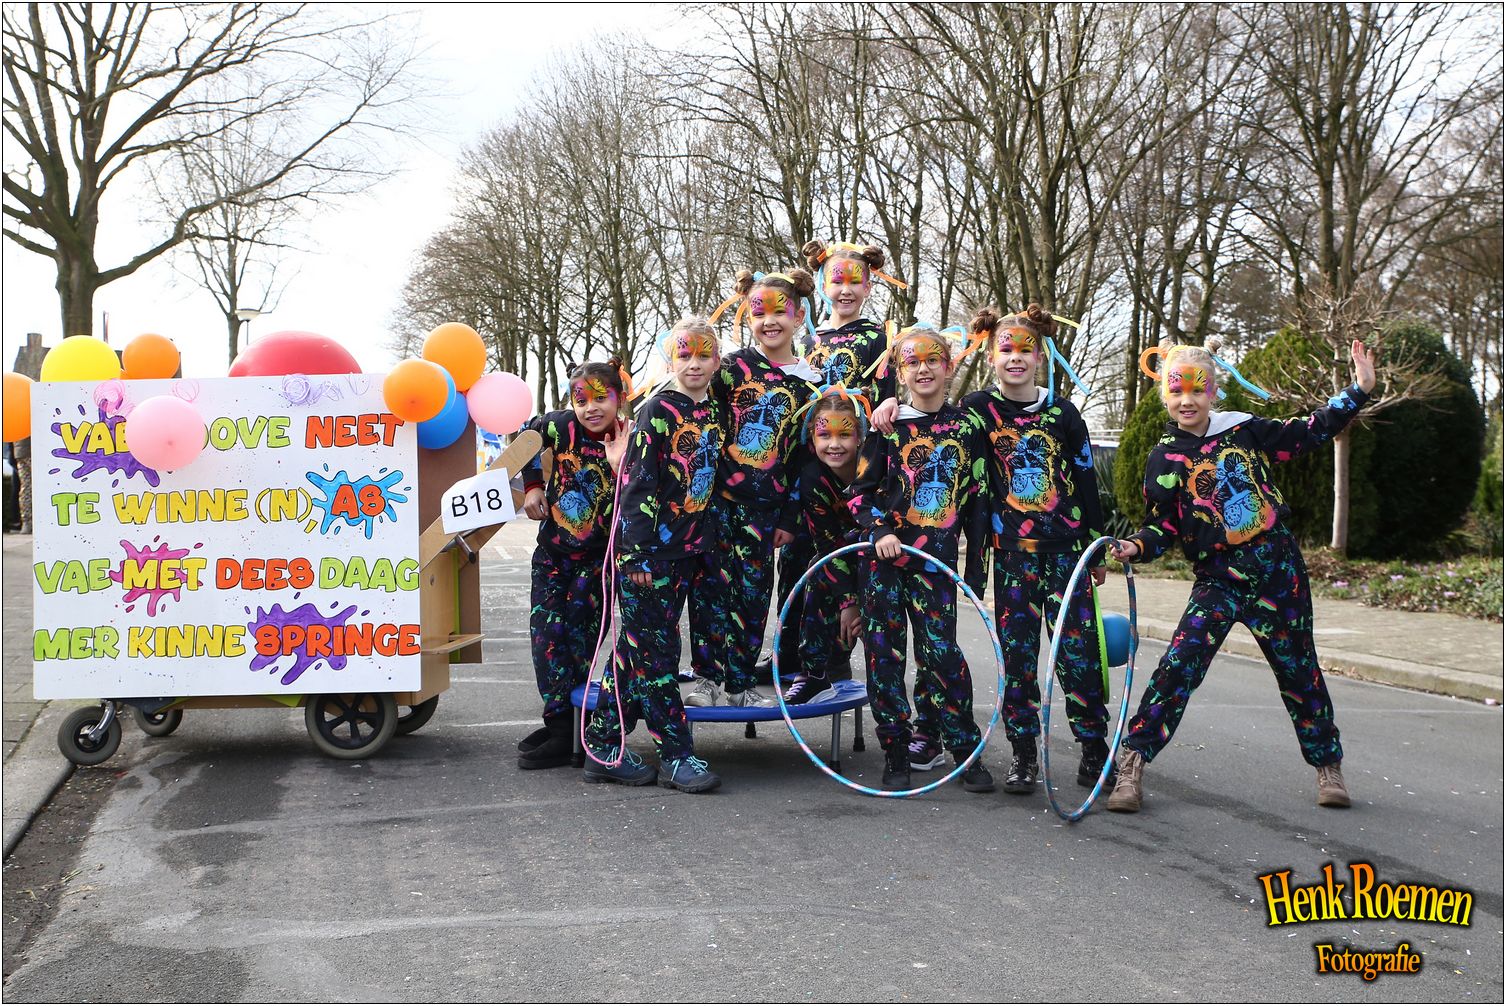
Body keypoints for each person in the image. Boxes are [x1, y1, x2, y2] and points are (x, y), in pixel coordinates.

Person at [1105, 338, 1378, 813]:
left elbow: (1308, 432)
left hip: (1277, 571)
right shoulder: (1164, 458)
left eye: (1198, 389)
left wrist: (1359, 390)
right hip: (1218, 580)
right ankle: (1132, 764)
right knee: (1178, 665)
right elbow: (1162, 526)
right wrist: (1136, 546)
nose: (1187, 400)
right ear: (1164, 394)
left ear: (1214, 392)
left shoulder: (1245, 430)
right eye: (1177, 390)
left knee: (1299, 670)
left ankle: (1327, 765)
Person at [961, 305, 1114, 794]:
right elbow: (941, 436)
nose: (1015, 358)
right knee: (1018, 659)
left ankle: (1094, 749)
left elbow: (1086, 480)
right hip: (1012, 555)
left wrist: (1096, 548)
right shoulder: (978, 409)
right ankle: (1023, 753)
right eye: (1005, 349)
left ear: (1041, 356)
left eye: (1025, 350)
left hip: (1066, 553)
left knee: (1079, 654)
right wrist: (888, 409)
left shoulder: (1063, 413)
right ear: (991, 356)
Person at [581, 317, 725, 794]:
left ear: (717, 361)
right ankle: (676, 757)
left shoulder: (713, 410)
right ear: (670, 360)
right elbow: (636, 484)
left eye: (703, 355)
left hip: (689, 552)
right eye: (684, 355)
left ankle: (603, 744)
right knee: (658, 657)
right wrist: (636, 556)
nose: (694, 364)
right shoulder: (657, 410)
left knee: (634, 652)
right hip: (650, 559)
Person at [849, 325, 994, 793]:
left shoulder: (968, 428)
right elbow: (859, 494)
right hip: (884, 565)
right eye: (912, 362)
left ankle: (964, 748)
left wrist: (975, 574)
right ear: (900, 371)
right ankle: (895, 749)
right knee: (884, 656)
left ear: (949, 367)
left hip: (937, 565)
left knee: (941, 655)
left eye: (933, 360)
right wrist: (880, 530)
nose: (923, 368)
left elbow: (978, 502)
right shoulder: (886, 427)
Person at [685, 270, 820, 709]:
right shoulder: (730, 369)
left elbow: (805, 459)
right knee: (709, 591)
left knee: (754, 595)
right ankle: (707, 678)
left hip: (766, 511)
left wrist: (790, 516)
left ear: (798, 317)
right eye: (759, 313)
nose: (769, 321)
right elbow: (694, 411)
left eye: (780, 312)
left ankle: (740, 684)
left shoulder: (810, 384)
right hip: (716, 503)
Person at [515, 360, 629, 770]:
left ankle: (577, 728)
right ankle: (559, 723)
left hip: (598, 561)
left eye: (601, 398)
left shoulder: (632, 437)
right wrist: (532, 486)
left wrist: (620, 466)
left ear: (620, 397)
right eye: (581, 400)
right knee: (546, 638)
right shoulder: (560, 426)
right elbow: (524, 438)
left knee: (581, 642)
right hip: (553, 554)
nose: (591, 408)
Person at [780, 388, 869, 704]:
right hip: (838, 548)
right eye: (825, 435)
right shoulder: (812, 477)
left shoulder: (873, 467)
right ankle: (816, 671)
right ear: (811, 438)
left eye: (844, 434)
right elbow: (828, 542)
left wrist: (857, 601)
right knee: (818, 569)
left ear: (859, 436)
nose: (834, 444)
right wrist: (848, 601)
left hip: (877, 549)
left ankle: (876, 672)